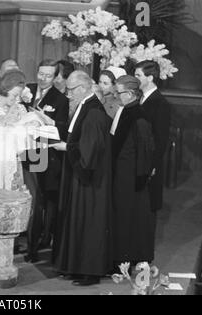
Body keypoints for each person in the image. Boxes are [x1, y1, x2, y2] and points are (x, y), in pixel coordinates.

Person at [51, 70, 113, 286]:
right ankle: (74, 266)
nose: (68, 95)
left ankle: (89, 271)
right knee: (76, 220)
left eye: (70, 90)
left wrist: (67, 147)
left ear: (82, 88)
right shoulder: (85, 107)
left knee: (88, 222)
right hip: (79, 174)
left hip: (90, 179)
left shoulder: (93, 111)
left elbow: (91, 149)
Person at [23, 59, 69, 261]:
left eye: (48, 75)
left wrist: (49, 120)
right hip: (25, 151)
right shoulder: (27, 91)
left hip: (46, 155)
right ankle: (28, 241)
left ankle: (36, 246)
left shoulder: (60, 99)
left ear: (55, 77)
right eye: (41, 74)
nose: (43, 78)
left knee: (41, 201)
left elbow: (63, 128)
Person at [111, 75, 156, 266]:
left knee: (132, 217)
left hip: (132, 177)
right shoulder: (127, 111)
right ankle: (123, 257)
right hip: (123, 174)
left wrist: (140, 177)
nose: (115, 96)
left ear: (129, 94)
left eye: (118, 92)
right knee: (123, 216)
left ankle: (130, 258)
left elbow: (145, 150)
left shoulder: (138, 116)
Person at [135, 60, 171, 213]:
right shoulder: (140, 98)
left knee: (147, 207)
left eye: (138, 75)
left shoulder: (160, 103)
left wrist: (152, 165)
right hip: (137, 159)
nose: (134, 78)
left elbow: (160, 139)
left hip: (149, 163)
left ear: (149, 78)